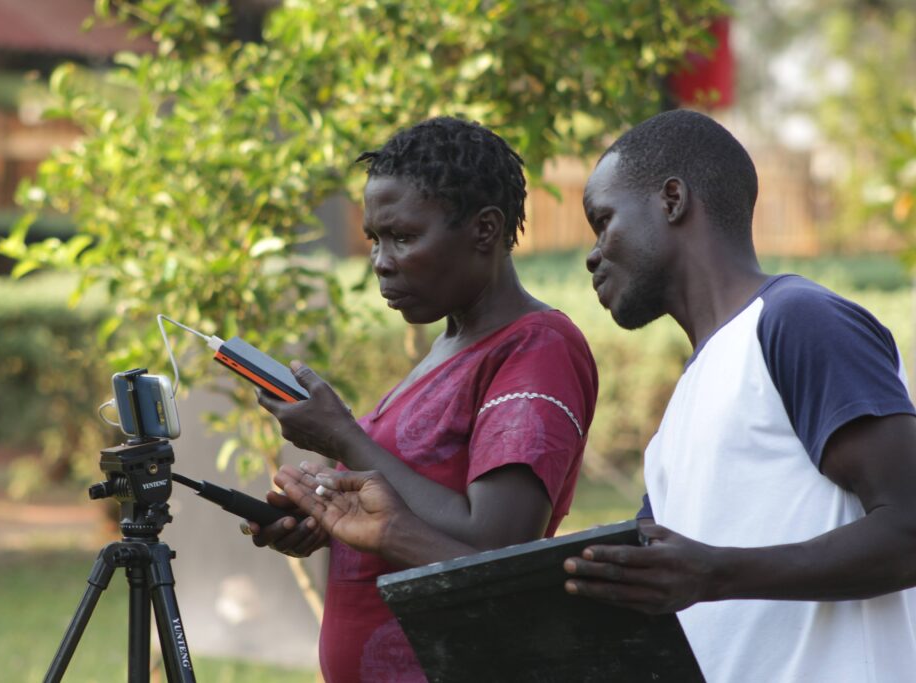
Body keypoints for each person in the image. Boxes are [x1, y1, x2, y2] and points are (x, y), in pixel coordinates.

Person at [275, 110, 916, 683]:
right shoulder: (685, 409)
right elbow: (598, 590)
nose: (590, 254)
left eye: (603, 221)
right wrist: (372, 526)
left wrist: (715, 573)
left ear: (671, 200)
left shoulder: (800, 320)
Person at [249, 116, 598, 683]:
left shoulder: (537, 349)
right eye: (375, 240)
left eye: (404, 237)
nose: (382, 261)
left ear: (485, 230)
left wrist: (344, 437)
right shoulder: (452, 344)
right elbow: (409, 505)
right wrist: (325, 518)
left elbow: (495, 546)